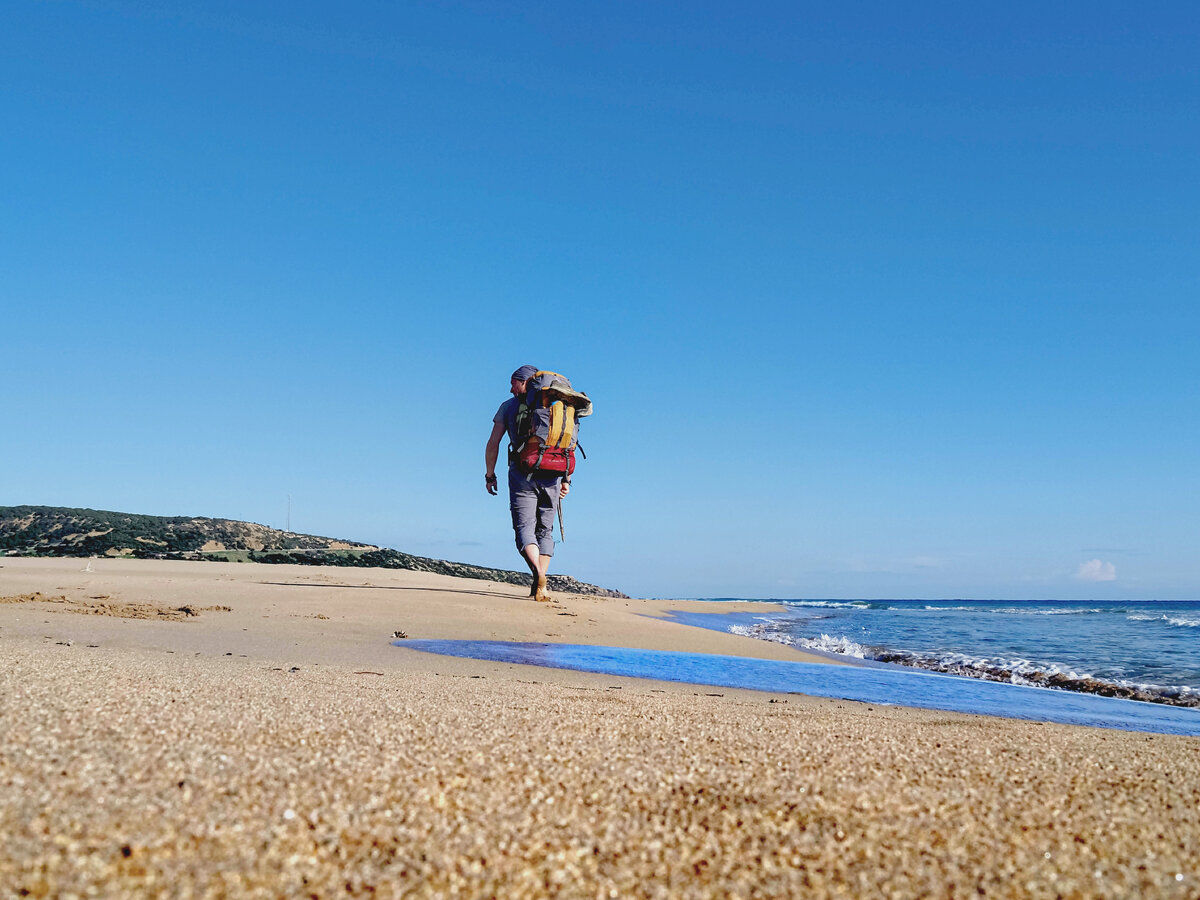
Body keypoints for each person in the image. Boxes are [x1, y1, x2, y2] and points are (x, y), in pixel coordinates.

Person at [485, 365, 570, 602]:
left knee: (524, 529)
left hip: (522, 473)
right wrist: (567, 479)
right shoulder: (558, 406)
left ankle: (540, 575)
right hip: (553, 474)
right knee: (545, 530)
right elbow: (566, 443)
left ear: (525, 382)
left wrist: (489, 474)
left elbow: (494, 443)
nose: (511, 388)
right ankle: (542, 582)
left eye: (513, 382)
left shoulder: (508, 407)